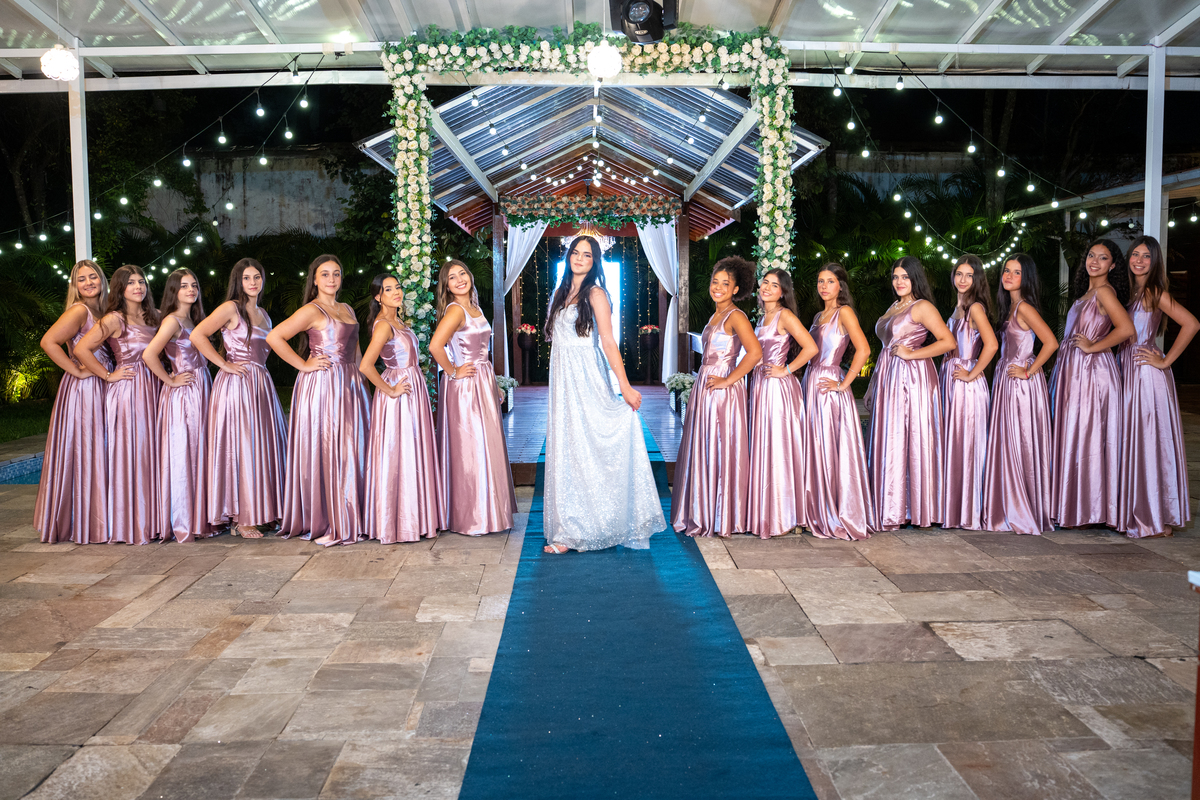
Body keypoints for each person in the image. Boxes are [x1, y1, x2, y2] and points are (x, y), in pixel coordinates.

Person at [541, 236, 665, 553]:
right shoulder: (559, 293)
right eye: (575, 253)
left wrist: (624, 386)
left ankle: (592, 523)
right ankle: (569, 526)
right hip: (563, 379)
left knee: (590, 442)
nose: (580, 258)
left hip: (587, 375)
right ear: (568, 256)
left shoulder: (596, 293)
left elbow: (608, 341)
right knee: (569, 446)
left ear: (594, 261)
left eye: (587, 254)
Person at [268, 254, 370, 546]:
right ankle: (328, 515)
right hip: (323, 385)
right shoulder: (311, 310)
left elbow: (357, 347)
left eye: (336, 274)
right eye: (324, 274)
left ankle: (354, 510)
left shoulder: (347, 307)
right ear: (314, 279)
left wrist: (362, 378)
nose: (331, 279)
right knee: (328, 445)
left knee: (352, 446)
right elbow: (275, 337)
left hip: (350, 383)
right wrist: (304, 365)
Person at [190, 258, 287, 538]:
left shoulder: (264, 314)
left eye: (257, 277)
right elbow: (198, 335)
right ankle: (241, 518)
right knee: (242, 445)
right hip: (237, 385)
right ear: (238, 281)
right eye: (247, 278)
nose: (253, 282)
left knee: (262, 446)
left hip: (261, 386)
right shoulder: (230, 308)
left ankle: (262, 510)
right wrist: (224, 364)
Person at [671, 256, 763, 537]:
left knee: (721, 445)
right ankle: (703, 508)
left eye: (726, 283)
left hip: (723, 391)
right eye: (715, 282)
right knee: (705, 445)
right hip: (706, 387)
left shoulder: (736, 315)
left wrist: (728, 379)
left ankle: (722, 514)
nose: (718, 287)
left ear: (736, 289)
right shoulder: (715, 315)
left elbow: (756, 353)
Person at [866, 256, 956, 530]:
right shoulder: (894, 306)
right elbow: (885, 349)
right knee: (892, 436)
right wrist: (872, 385)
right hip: (888, 376)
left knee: (910, 436)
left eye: (905, 277)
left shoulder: (922, 306)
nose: (899, 282)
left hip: (912, 378)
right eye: (895, 277)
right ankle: (891, 505)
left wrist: (912, 353)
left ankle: (913, 509)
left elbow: (948, 342)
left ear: (915, 278)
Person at [1049, 239, 1134, 528]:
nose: (1094, 261)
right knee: (1077, 434)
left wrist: (1093, 347)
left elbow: (1126, 329)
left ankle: (1091, 508)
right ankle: (1077, 504)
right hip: (1075, 372)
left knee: (1088, 435)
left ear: (1113, 265)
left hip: (1092, 374)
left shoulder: (1105, 292)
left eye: (1103, 257)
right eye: (1091, 255)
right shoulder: (1086, 293)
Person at [1117, 235, 1198, 538]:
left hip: (1147, 374)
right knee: (1133, 441)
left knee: (1149, 442)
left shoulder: (1154, 291)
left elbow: (1192, 323)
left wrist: (1165, 362)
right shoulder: (1130, 293)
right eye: (1135, 254)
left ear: (1155, 262)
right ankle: (1138, 509)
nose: (1138, 260)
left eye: (1146, 256)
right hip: (1127, 370)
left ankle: (1156, 515)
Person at [429, 259, 516, 536]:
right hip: (465, 387)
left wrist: (495, 386)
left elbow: (484, 352)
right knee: (471, 446)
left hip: (483, 380)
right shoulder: (455, 311)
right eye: (452, 278)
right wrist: (453, 372)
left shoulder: (475, 307)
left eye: (462, 273)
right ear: (447, 286)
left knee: (487, 445)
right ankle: (472, 516)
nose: (459, 280)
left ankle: (490, 510)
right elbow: (435, 346)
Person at [76, 265, 162, 545]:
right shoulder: (114, 318)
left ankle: (155, 519)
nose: (138, 287)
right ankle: (130, 524)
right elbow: (80, 349)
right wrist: (106, 374)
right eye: (131, 283)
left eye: (141, 282)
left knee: (153, 453)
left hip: (155, 389)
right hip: (128, 390)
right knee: (132, 455)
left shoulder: (155, 316)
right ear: (120, 289)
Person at [360, 274, 443, 543]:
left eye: (397, 287)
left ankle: (414, 517)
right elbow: (365, 365)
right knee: (401, 451)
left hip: (412, 388)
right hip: (398, 392)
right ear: (378, 297)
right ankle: (398, 522)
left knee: (413, 450)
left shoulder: (399, 321)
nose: (396, 292)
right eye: (388, 289)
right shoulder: (383, 325)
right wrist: (391, 390)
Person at [34, 260, 111, 544]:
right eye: (82, 279)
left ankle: (100, 517)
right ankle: (85, 521)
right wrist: (76, 370)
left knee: (100, 450)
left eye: (93, 277)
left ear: (103, 281)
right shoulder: (80, 310)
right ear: (74, 286)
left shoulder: (103, 311)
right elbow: (48, 341)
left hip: (103, 383)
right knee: (87, 450)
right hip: (85, 388)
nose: (89, 282)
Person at [981, 254, 1058, 535]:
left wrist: (1028, 370)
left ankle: (1022, 509)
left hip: (1020, 386)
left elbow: (1051, 342)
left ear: (1027, 278)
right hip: (1007, 381)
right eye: (1006, 270)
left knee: (1019, 442)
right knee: (1007, 442)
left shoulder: (1025, 307)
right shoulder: (1011, 306)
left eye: (1017, 272)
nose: (1009, 276)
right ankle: (1010, 504)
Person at [802, 264, 876, 540]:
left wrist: (845, 383)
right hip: (812, 382)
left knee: (831, 447)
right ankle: (817, 507)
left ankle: (838, 510)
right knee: (815, 446)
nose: (824, 286)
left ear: (841, 286)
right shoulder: (819, 315)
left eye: (830, 281)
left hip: (830, 385)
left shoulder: (844, 312)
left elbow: (864, 349)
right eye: (820, 281)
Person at [143, 269, 212, 543]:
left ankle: (201, 516)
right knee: (185, 451)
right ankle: (183, 520)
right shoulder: (172, 320)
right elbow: (149, 354)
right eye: (184, 286)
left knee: (200, 451)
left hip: (202, 387)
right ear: (173, 290)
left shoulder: (194, 318)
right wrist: (169, 380)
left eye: (194, 285)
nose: (191, 290)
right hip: (184, 393)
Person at [748, 268, 818, 539]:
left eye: (774, 285)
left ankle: (783, 514)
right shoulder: (762, 316)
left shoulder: (784, 315)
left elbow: (811, 348)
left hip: (778, 389)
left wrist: (785, 370)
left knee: (778, 447)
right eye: (765, 282)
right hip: (760, 387)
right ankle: (766, 509)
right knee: (764, 446)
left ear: (783, 292)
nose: (766, 287)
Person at [940, 255, 998, 530]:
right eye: (958, 274)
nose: (962, 280)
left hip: (966, 384)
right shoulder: (958, 306)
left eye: (969, 275)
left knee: (967, 445)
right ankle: (954, 508)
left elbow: (992, 345)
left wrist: (972, 374)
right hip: (951, 380)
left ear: (977, 279)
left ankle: (968, 511)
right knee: (955, 444)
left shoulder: (975, 307)